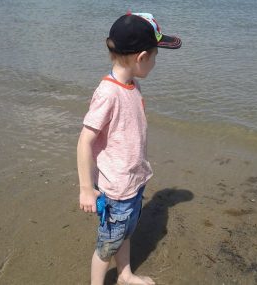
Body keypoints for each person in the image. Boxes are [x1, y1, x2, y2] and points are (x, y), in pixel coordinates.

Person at [77, 12, 181, 285]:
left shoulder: (130, 85)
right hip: (115, 189)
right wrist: (86, 188)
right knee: (106, 246)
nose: (156, 62)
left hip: (133, 182)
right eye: (155, 56)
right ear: (141, 58)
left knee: (125, 233)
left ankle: (124, 274)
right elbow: (84, 141)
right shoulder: (108, 93)